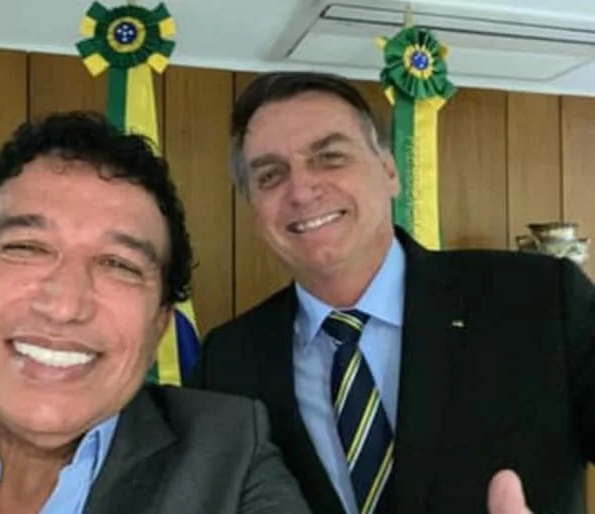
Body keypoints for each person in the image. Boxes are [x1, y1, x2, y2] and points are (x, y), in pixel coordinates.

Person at [0, 111, 313, 514]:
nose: (64, 305)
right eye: (26, 247)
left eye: (119, 264)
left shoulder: (227, 453)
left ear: (160, 323)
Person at [187, 71, 595, 514]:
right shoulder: (228, 361)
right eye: (270, 175)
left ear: (389, 171)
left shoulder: (541, 299)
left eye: (330, 157)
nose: (301, 191)